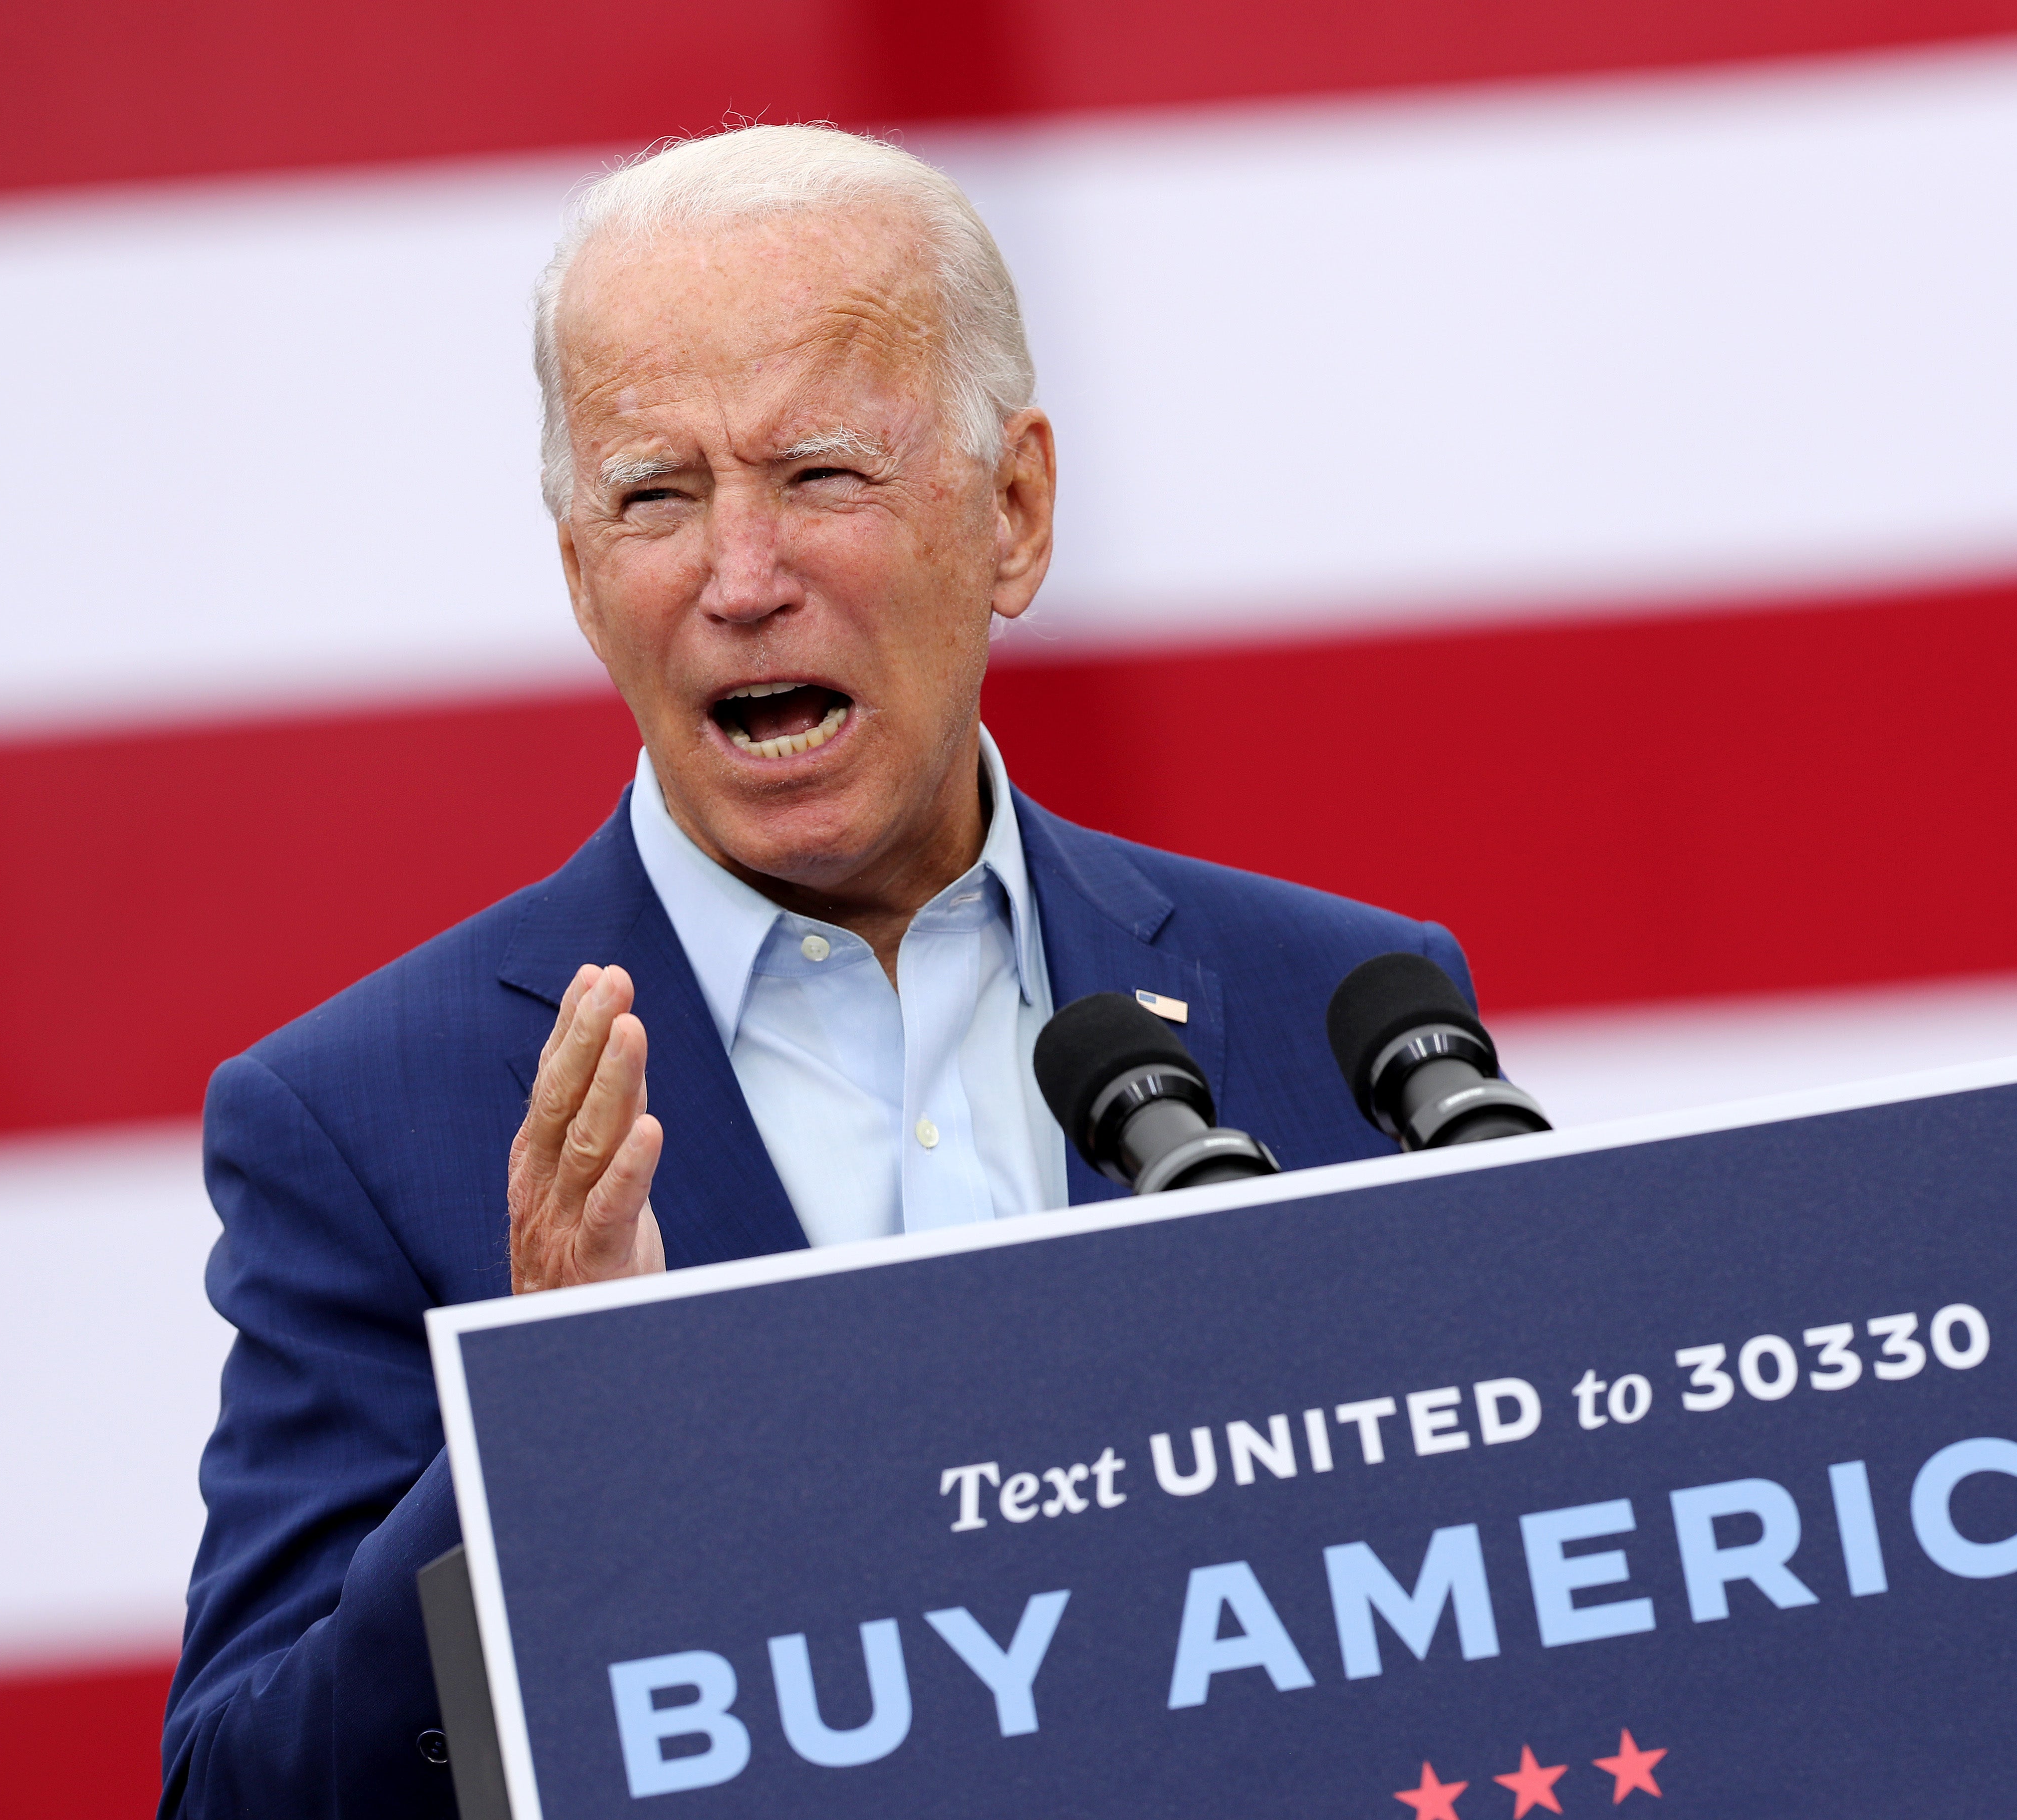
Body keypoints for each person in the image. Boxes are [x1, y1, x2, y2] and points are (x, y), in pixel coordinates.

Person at [159, 123, 1479, 1818]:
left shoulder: (1352, 1018)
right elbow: (247, 1797)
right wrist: (547, 1441)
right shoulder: (359, 1118)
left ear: (1011, 514)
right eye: (655, 496)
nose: (741, 578)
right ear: (578, 575)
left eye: (820, 474)